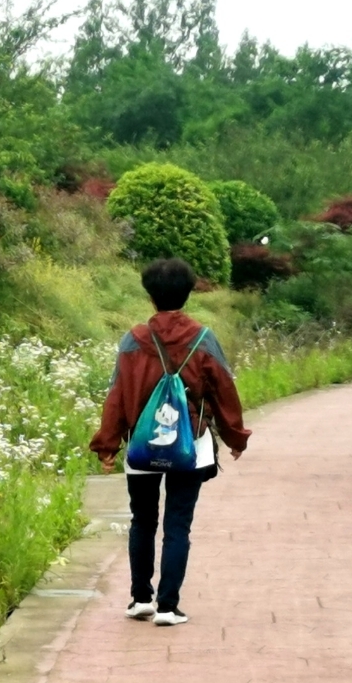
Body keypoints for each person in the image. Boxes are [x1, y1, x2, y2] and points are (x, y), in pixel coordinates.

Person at [88, 258, 252, 626]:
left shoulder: (133, 340)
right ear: (189, 292)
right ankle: (167, 606)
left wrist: (107, 445)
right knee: (178, 525)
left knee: (142, 520)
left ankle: (140, 599)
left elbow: (117, 395)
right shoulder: (202, 338)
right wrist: (235, 437)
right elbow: (224, 389)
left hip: (142, 445)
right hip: (190, 445)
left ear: (150, 295)